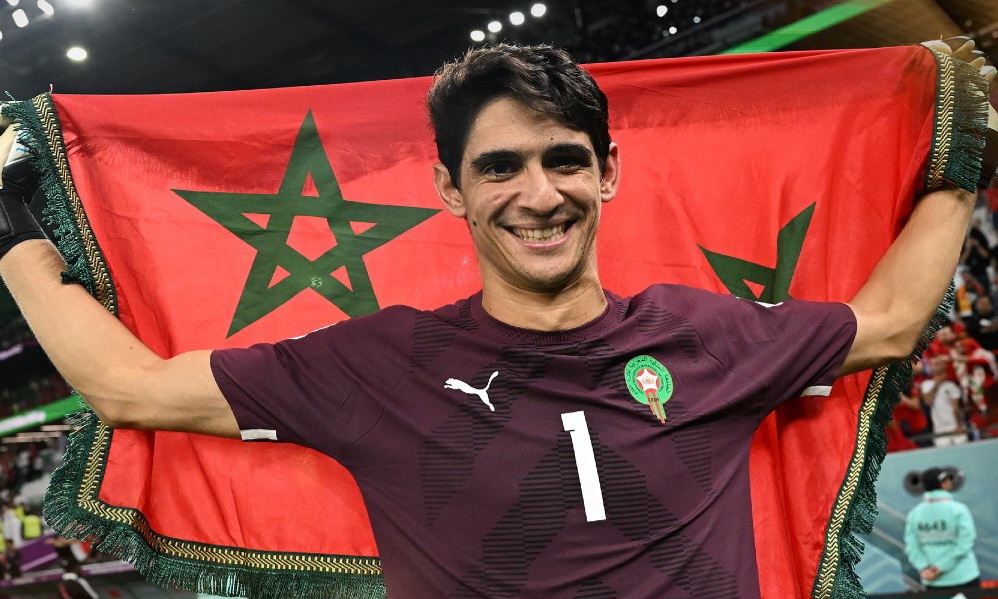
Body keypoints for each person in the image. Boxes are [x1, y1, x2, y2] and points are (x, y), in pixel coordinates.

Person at [0, 40, 996, 598]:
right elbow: (128, 387)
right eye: (499, 167)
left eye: (565, 160)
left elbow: (890, 319)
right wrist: (11, 231)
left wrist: (963, 155)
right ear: (450, 189)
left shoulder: (708, 333)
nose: (539, 194)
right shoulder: (379, 362)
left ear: (607, 172)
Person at [904, 467, 981, 590]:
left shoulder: (914, 514)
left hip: (932, 581)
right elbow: (965, 542)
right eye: (948, 479)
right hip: (963, 577)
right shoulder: (959, 510)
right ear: (943, 483)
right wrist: (940, 567)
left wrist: (925, 568)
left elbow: (912, 548)